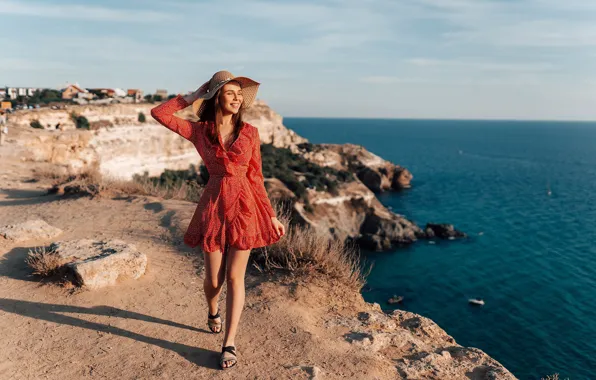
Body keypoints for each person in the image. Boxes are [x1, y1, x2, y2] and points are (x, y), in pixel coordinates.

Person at [151, 70, 285, 370]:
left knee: (236, 278)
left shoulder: (250, 132)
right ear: (216, 97)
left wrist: (271, 215)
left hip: (245, 208)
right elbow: (158, 113)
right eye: (231, 93)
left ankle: (229, 342)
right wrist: (193, 96)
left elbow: (256, 177)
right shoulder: (200, 132)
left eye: (241, 95)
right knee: (213, 279)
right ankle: (212, 309)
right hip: (213, 205)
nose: (238, 98)